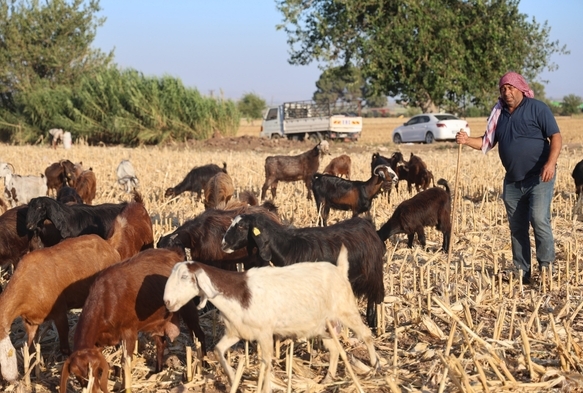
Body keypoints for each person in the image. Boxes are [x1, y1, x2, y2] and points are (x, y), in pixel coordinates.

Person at [456, 71, 562, 285]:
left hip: (539, 176)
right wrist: (467, 140)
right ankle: (522, 270)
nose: (507, 92)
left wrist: (550, 163)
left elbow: (556, 137)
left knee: (539, 220)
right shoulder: (499, 114)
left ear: (521, 88)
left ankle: (547, 269)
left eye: (511, 87)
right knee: (517, 226)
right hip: (513, 181)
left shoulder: (537, 108)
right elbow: (487, 141)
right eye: (503, 89)